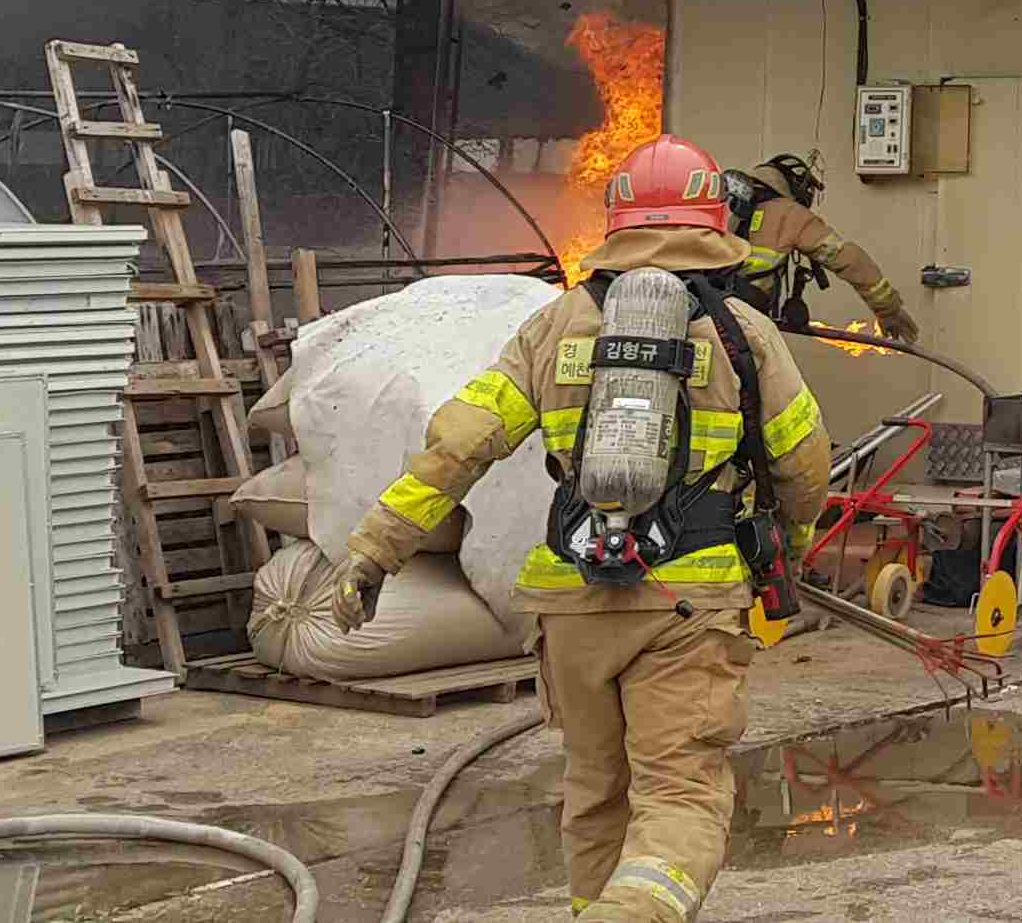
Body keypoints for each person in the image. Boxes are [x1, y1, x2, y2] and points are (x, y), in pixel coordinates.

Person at [330, 137, 832, 922]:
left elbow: (460, 444)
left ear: (618, 222)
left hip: (570, 601)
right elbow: (804, 465)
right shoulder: (742, 332)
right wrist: (789, 553)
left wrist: (374, 548)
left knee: (595, 796)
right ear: (713, 219)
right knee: (681, 794)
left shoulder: (556, 324)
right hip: (686, 601)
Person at [726, 151, 919, 347]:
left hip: (713, 315)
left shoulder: (736, 213)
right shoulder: (790, 213)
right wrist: (888, 310)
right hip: (746, 324)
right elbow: (850, 260)